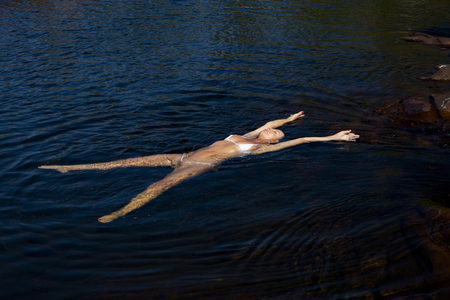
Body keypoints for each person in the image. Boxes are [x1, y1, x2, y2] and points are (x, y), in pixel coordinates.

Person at [39, 111, 359, 223]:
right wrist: (289, 119)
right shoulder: (246, 134)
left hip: (195, 167)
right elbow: (268, 121)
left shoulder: (255, 149)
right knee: (124, 161)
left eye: (278, 133)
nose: (274, 131)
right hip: (181, 156)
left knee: (156, 187)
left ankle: (121, 212)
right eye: (276, 130)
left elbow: (302, 142)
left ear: (273, 142)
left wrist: (333, 136)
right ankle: (72, 168)